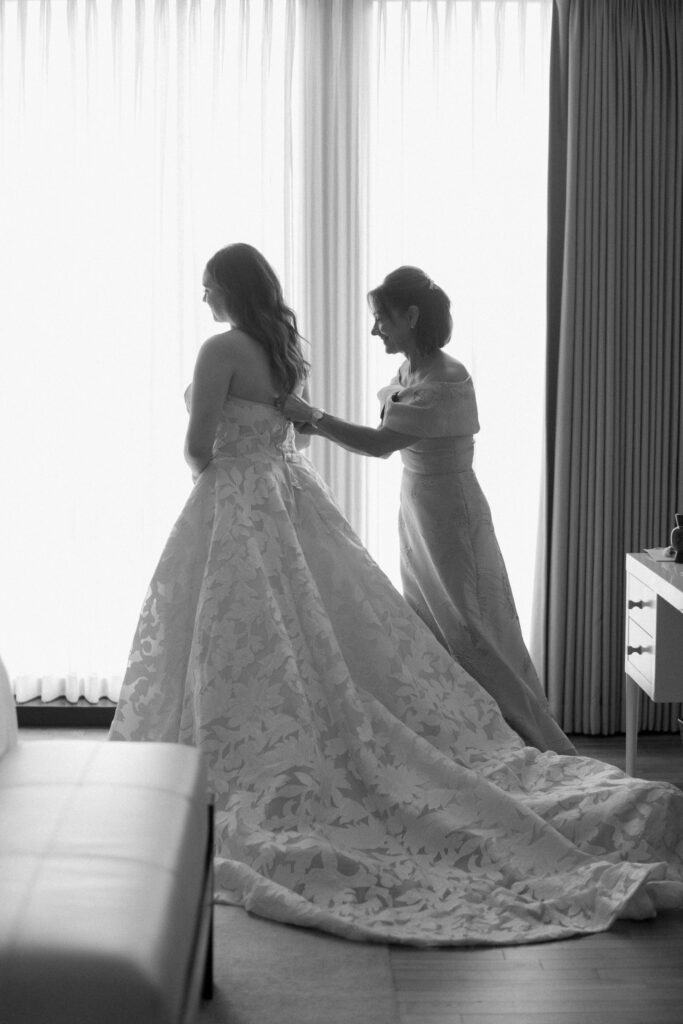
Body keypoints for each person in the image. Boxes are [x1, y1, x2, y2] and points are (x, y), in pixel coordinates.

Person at [110, 243, 683, 947]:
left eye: (206, 287)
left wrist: (218, 489)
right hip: (287, 498)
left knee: (257, 639)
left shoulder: (222, 348)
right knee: (318, 635)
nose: (202, 299)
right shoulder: (278, 352)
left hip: (247, 500)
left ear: (228, 288)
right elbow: (295, 439)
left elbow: (199, 444)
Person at [281, 265, 575, 755]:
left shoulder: (447, 379)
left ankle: (525, 737)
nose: (376, 330)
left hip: (449, 514)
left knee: (474, 626)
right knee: (429, 623)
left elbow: (380, 444)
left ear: (412, 315)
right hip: (418, 511)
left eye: (382, 319)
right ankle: (466, 733)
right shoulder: (412, 371)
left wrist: (314, 417)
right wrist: (312, 424)